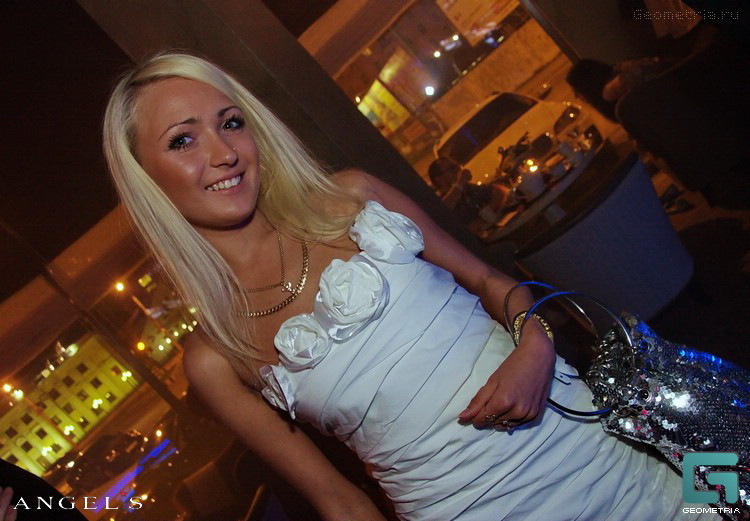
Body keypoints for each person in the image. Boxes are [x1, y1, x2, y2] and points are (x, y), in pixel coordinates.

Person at [101, 52, 720, 520]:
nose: (223, 153)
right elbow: (340, 502)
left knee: (723, 494)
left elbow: (490, 279)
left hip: (592, 447)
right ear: (147, 180)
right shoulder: (214, 356)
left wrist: (535, 346)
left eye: (231, 123)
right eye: (182, 140)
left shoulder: (353, 197)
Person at [427, 157, 512, 232]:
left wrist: (484, 215)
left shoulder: (467, 188)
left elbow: (498, 191)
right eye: (452, 168)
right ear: (439, 179)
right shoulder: (439, 202)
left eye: (457, 165)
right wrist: (460, 182)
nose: (458, 169)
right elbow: (443, 212)